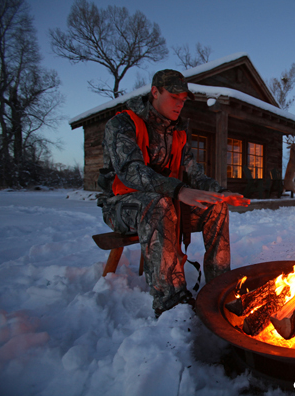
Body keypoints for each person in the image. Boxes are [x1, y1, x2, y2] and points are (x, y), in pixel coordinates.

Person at [97, 69, 248, 317]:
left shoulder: (177, 132)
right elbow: (130, 171)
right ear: (155, 92)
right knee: (159, 204)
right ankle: (171, 302)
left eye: (183, 99)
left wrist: (222, 192)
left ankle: (220, 288)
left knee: (216, 206)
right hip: (121, 205)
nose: (180, 104)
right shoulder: (123, 124)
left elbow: (195, 173)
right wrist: (178, 190)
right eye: (174, 96)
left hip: (166, 201)